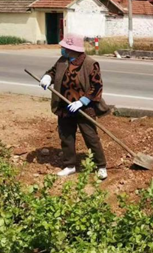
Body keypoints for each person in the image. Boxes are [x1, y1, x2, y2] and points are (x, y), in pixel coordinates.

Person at [39, 33, 110, 180]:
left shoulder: (90, 64)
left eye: (64, 47)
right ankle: (70, 165)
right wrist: (47, 77)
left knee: (90, 137)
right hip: (65, 107)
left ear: (73, 49)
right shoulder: (62, 61)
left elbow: (96, 87)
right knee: (66, 136)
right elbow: (53, 72)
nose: (62, 49)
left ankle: (101, 166)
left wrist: (82, 101)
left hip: (84, 108)